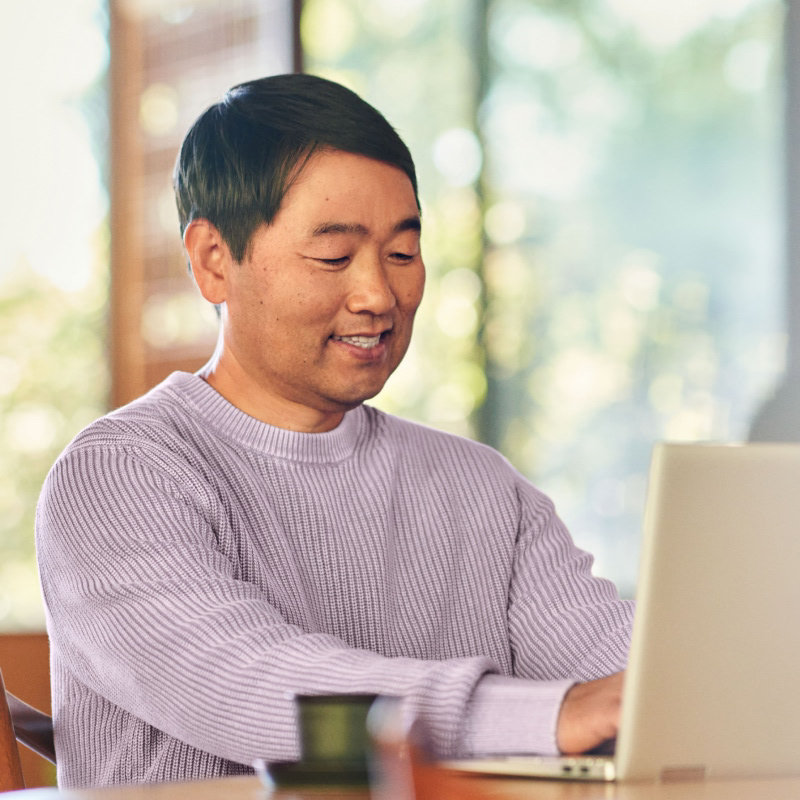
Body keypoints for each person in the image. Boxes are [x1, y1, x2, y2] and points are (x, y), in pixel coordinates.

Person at [35, 73, 634, 789]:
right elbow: (247, 683)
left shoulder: (480, 487)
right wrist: (546, 715)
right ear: (212, 259)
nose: (379, 295)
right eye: (333, 256)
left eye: (403, 253)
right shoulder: (118, 476)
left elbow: (626, 674)